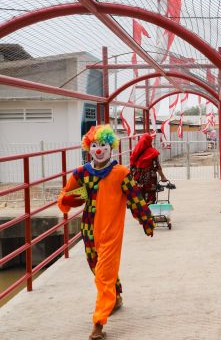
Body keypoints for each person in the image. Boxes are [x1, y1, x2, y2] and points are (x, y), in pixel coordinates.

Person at [57, 125, 154, 340]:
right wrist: (69, 198)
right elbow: (68, 195)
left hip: (111, 233)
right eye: (94, 145)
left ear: (111, 147)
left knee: (103, 275)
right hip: (89, 230)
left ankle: (98, 323)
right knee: (97, 269)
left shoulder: (121, 173)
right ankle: (116, 296)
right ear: (88, 148)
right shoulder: (82, 173)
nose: (99, 149)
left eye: (103, 145)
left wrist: (146, 220)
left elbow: (135, 198)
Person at [129, 132, 168, 204]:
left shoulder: (135, 151)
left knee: (139, 198)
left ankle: (141, 214)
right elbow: (157, 166)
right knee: (150, 197)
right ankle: (149, 213)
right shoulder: (152, 152)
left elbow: (132, 165)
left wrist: (131, 178)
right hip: (150, 179)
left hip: (138, 179)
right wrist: (163, 177)